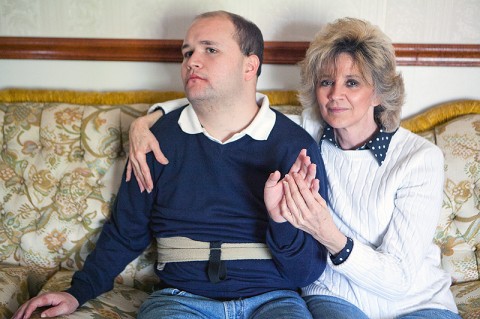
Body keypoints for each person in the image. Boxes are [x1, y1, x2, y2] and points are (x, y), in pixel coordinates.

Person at [126, 17, 461, 319]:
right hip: (337, 296)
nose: (335, 96)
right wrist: (147, 121)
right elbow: (224, 104)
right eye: (326, 82)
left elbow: (400, 281)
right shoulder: (304, 135)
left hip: (414, 301)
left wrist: (327, 233)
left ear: (379, 93)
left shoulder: (419, 158)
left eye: (353, 83)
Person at [13, 10, 329, 319]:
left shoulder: (294, 147)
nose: (192, 60)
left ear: (250, 66)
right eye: (187, 52)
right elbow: (125, 233)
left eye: (210, 49)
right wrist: (76, 292)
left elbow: (306, 271)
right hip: (181, 300)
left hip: (272, 300)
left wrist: (281, 221)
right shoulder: (155, 141)